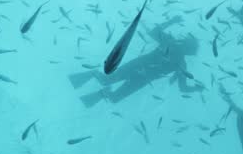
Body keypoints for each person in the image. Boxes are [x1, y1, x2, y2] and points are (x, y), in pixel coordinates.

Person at [70, 17, 200, 107]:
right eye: (191, 48)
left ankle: (102, 92)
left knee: (114, 98)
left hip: (141, 79)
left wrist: (196, 88)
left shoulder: (181, 63)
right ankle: (93, 73)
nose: (189, 51)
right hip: (136, 67)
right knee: (105, 80)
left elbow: (183, 88)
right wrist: (172, 21)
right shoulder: (171, 45)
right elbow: (153, 32)